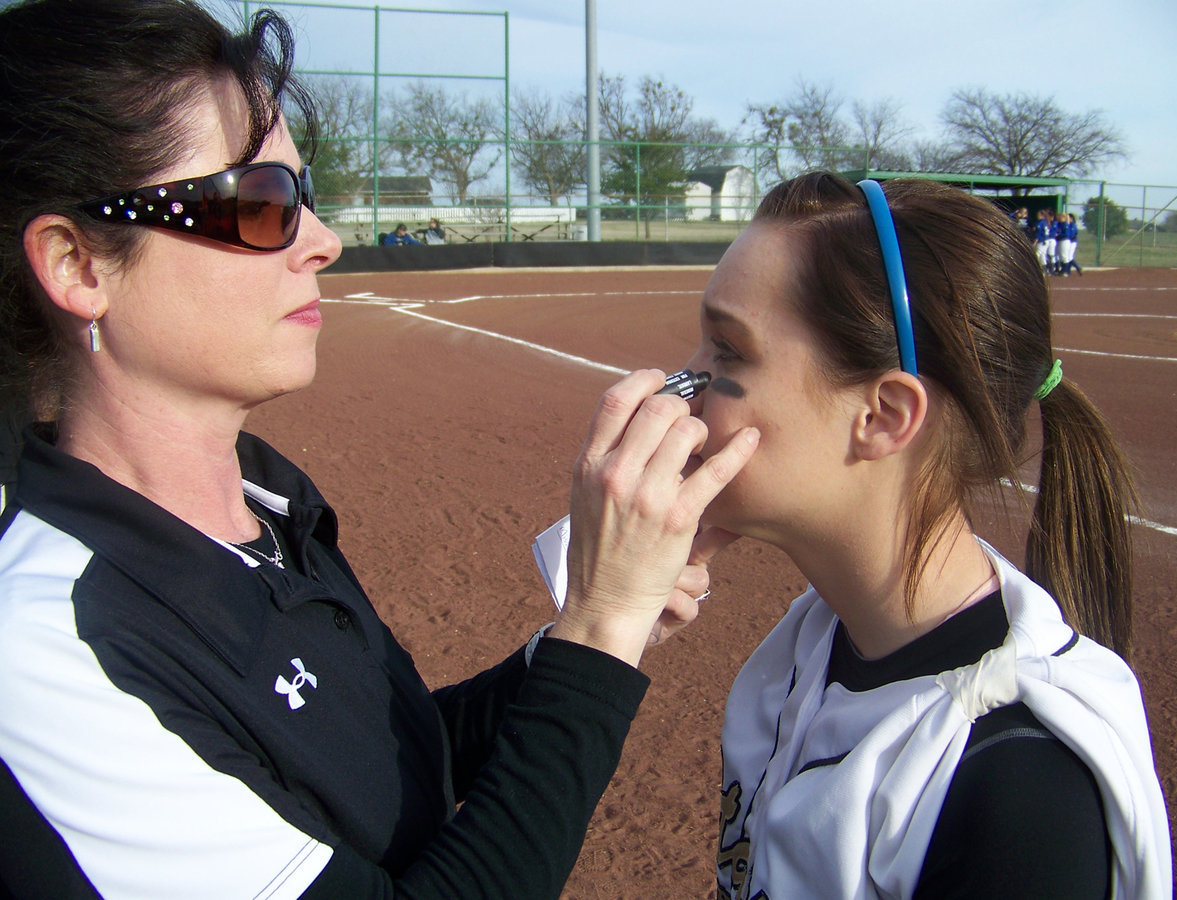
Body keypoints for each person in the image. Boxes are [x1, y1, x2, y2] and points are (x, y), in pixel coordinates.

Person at [0, 1, 758, 897]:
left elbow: (378, 771)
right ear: (80, 266)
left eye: (303, 194)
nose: (325, 242)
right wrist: (598, 634)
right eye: (259, 204)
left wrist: (594, 635)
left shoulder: (264, 500)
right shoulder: (44, 651)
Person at [682, 174, 1171, 898]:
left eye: (727, 352)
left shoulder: (1019, 790)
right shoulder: (808, 643)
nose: (685, 384)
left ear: (882, 416)